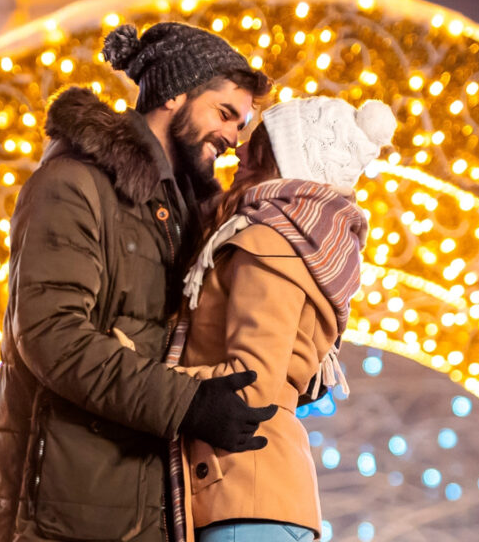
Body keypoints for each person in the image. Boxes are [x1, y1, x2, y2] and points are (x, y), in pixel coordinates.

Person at [0, 22, 275, 542]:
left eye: (242, 124)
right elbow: (52, 338)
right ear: (174, 91)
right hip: (61, 518)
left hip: (144, 513)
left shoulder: (187, 214)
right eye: (225, 113)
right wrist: (189, 404)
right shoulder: (73, 185)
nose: (233, 137)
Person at [166, 96, 397, 542]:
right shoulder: (305, 243)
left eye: (256, 144)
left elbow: (252, 382)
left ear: (283, 158)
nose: (239, 152)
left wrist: (150, 382)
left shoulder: (268, 242)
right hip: (258, 498)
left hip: (242, 494)